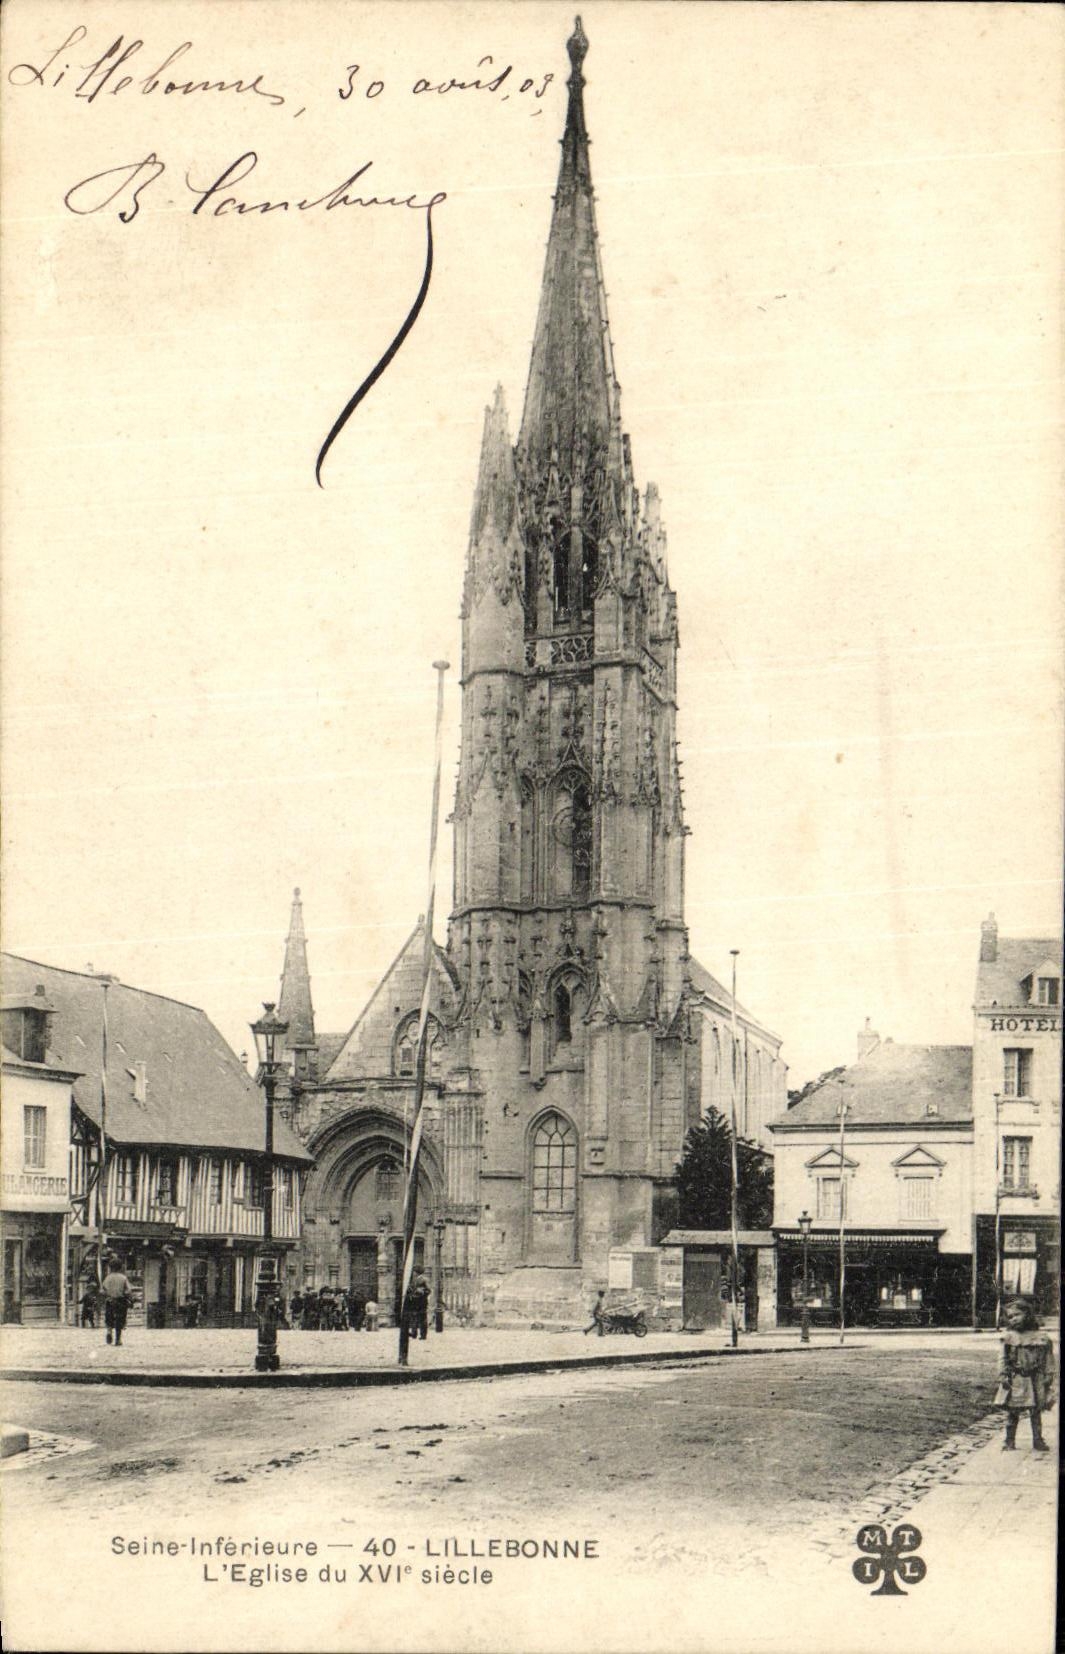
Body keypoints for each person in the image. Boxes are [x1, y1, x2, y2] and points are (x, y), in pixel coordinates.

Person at [995, 1296, 1055, 1452]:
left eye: (1017, 1315)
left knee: (1036, 1411)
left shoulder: (1041, 1338)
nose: (1013, 1319)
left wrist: (1049, 1374)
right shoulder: (1009, 1338)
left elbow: (1048, 1358)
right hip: (1017, 1379)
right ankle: (1009, 1441)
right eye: (1010, 1317)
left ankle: (1038, 1440)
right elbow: (1003, 1358)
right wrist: (1003, 1375)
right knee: (1013, 1412)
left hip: (1036, 1379)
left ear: (1028, 1315)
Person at [100, 1257, 133, 1347]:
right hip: (120, 1301)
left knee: (109, 1318)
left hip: (110, 1300)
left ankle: (109, 1331)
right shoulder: (123, 1278)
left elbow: (102, 1290)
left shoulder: (108, 1278)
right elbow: (128, 1290)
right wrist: (128, 1297)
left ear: (110, 1267)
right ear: (120, 1267)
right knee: (120, 1320)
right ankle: (118, 1339)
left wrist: (108, 1294)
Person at [405, 1270, 431, 1341]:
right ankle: (414, 1333)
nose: (413, 1273)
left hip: (422, 1302)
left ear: (417, 1272)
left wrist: (421, 1292)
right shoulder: (415, 1280)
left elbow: (428, 1290)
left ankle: (423, 1335)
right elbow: (412, 1289)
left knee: (422, 1319)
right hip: (414, 1301)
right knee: (414, 1317)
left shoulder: (424, 1279)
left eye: (414, 1271)